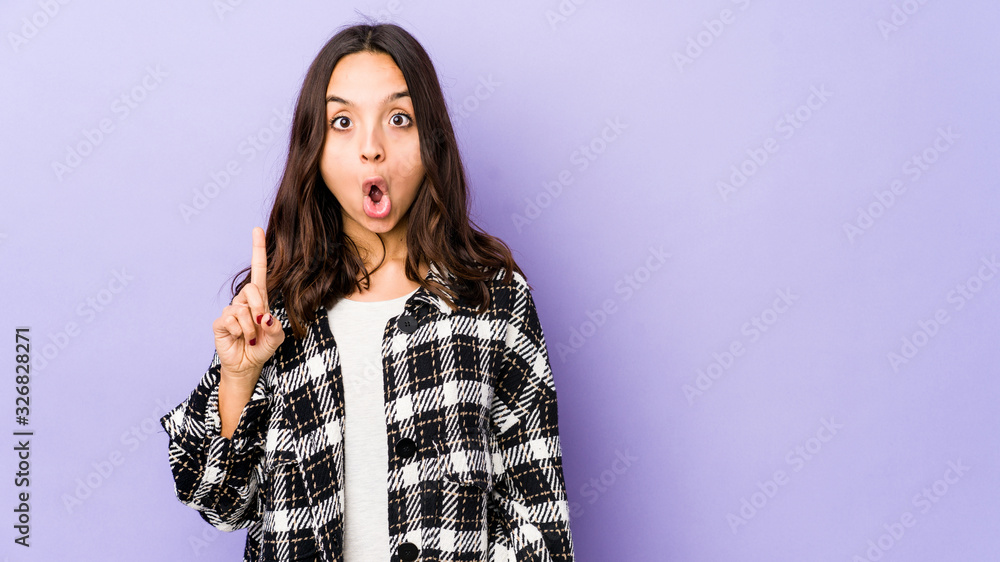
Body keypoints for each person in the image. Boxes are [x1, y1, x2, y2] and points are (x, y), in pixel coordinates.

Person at [159, 21, 575, 562]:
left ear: (432, 141)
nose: (371, 148)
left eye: (399, 119)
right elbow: (217, 502)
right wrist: (240, 376)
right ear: (315, 144)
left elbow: (539, 520)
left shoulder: (491, 297)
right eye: (343, 122)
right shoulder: (279, 307)